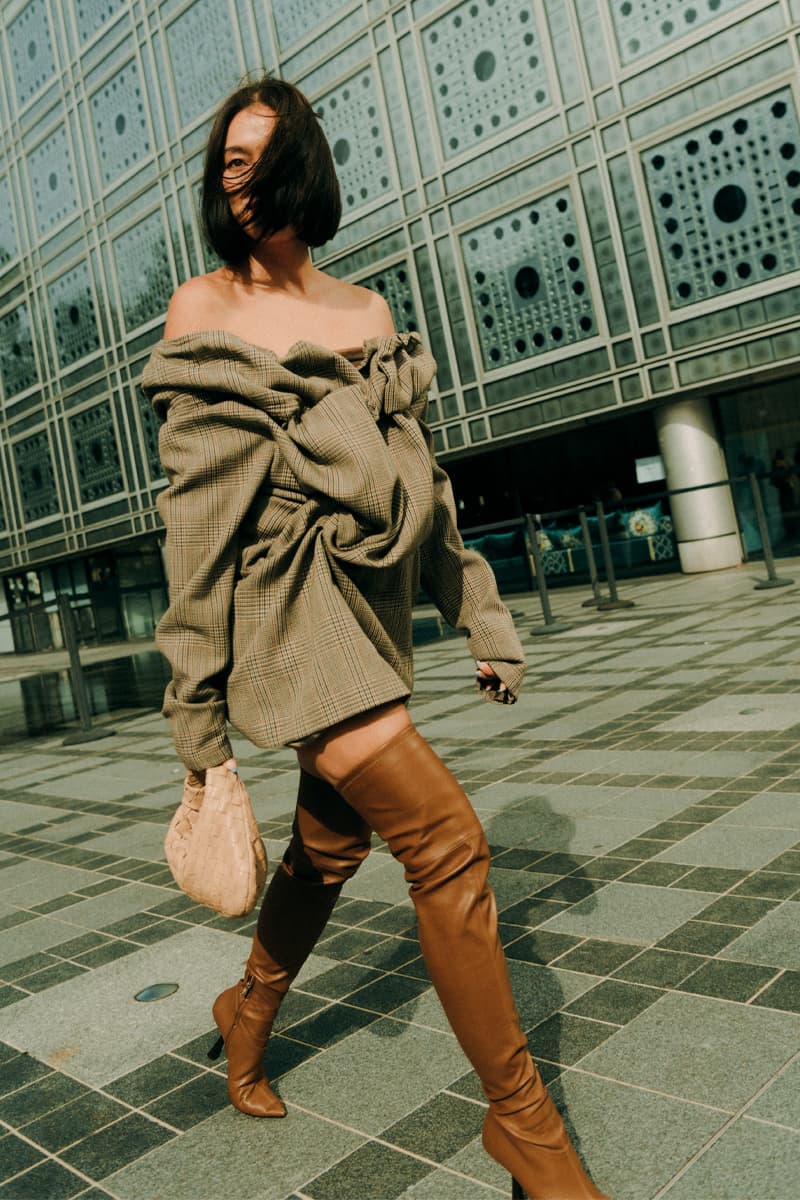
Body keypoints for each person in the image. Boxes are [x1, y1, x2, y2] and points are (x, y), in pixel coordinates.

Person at [142, 74, 607, 1200]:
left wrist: (477, 614)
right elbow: (196, 532)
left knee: (331, 848)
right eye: (225, 165)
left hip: (368, 609)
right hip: (283, 616)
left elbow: (422, 487)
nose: (236, 182)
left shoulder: (366, 315)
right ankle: (525, 1132)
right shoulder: (204, 312)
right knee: (446, 845)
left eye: (256, 159)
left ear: (308, 162)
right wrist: (196, 726)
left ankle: (245, 1009)